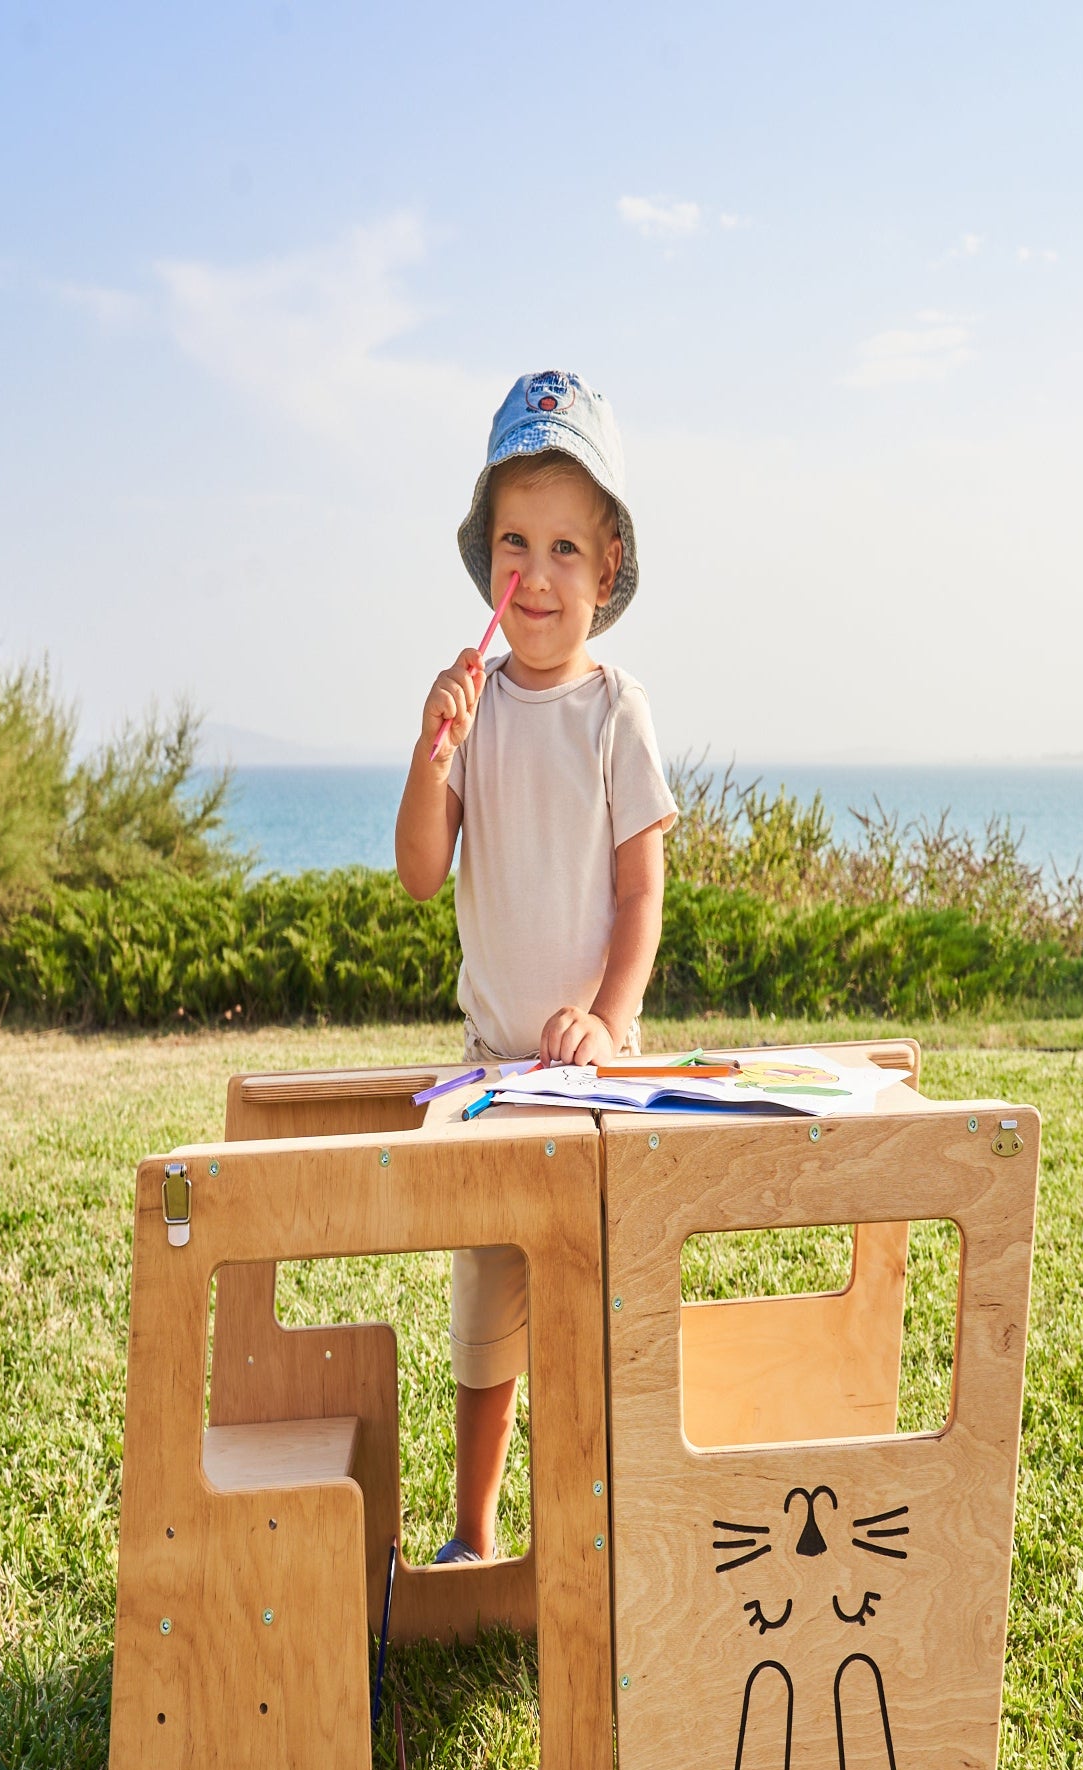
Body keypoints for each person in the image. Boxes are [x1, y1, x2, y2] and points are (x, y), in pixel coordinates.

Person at [393, 369, 676, 1564]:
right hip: (489, 1073)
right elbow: (418, 871)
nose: (539, 574)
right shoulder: (477, 714)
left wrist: (608, 1024)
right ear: (487, 568)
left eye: (566, 547)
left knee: (586, 1311)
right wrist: (427, 748)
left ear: (604, 569)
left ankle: (595, 1525)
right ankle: (471, 1531)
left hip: (593, 1077)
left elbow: (638, 892)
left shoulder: (618, 710)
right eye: (517, 544)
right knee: (482, 1328)